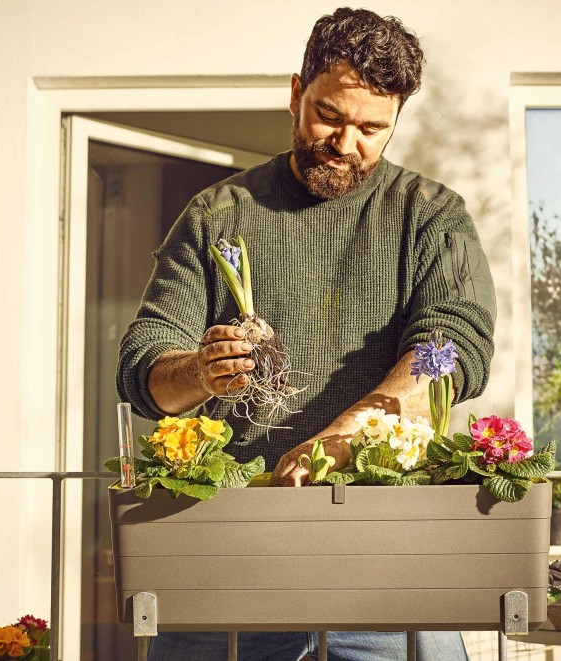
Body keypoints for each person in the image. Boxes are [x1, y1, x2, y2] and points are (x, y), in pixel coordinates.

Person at [116, 7, 496, 660]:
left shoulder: (432, 219)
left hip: (386, 569)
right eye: (329, 115)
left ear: (397, 119)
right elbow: (143, 367)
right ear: (296, 93)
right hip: (231, 568)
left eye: (372, 128)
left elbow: (454, 346)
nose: (346, 143)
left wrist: (340, 439)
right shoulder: (217, 217)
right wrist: (200, 371)